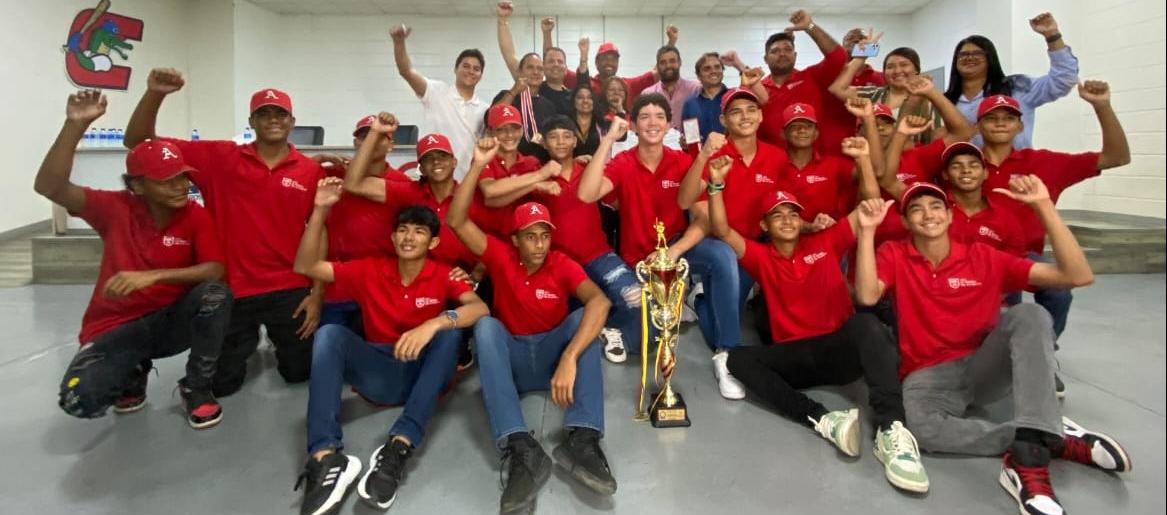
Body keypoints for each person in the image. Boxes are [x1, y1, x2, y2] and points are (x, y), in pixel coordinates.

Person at [854, 179, 1131, 515]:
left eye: (935, 206)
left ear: (950, 215)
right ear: (906, 221)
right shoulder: (894, 253)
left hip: (983, 365)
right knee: (921, 430)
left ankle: (1027, 463)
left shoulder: (984, 256)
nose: (927, 214)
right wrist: (867, 232)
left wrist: (1044, 207)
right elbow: (867, 296)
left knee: (1029, 314)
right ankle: (1047, 437)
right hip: (927, 376)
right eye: (916, 208)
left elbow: (1077, 275)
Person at [706, 151, 928, 493]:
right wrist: (716, 184)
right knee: (735, 358)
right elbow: (721, 230)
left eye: (792, 214)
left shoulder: (827, 240)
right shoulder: (761, 257)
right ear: (764, 226)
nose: (785, 220)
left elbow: (868, 205)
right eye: (775, 216)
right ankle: (825, 420)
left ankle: (892, 428)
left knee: (868, 325)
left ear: (802, 219)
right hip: (796, 356)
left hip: (838, 348)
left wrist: (866, 159)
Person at [292, 178, 488, 515]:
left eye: (419, 232)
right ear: (393, 236)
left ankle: (398, 448)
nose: (409, 237)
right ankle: (326, 458)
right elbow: (306, 267)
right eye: (403, 230)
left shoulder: (445, 274)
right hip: (381, 374)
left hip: (424, 376)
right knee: (329, 334)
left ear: (434, 241)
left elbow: (479, 308)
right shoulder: (371, 269)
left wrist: (434, 323)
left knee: (451, 333)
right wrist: (321, 211)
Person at [125, 68, 324, 397]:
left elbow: (319, 235)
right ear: (251, 121)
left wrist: (317, 294)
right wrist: (155, 93)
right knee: (222, 384)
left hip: (289, 286)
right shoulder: (218, 158)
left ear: (291, 121)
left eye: (280, 114)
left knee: (299, 373)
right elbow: (139, 142)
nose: (272, 120)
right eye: (264, 114)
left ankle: (275, 342)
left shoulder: (311, 170)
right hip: (233, 288)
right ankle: (244, 343)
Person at [45, 90, 231, 429]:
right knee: (80, 401)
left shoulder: (194, 215)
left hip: (169, 323)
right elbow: (51, 187)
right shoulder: (112, 208)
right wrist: (74, 126)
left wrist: (154, 277)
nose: (181, 186)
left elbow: (214, 270)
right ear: (138, 186)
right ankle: (132, 372)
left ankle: (197, 387)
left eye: (184, 176)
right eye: (168, 180)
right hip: (117, 325)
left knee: (216, 294)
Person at [448, 138, 616, 513]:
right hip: (516, 364)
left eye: (544, 235)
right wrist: (476, 167)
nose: (539, 245)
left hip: (557, 364)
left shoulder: (561, 262)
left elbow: (600, 300)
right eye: (530, 236)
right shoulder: (499, 255)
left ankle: (583, 439)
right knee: (487, 327)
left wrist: (570, 357)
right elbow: (456, 221)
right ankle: (520, 446)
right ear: (515, 239)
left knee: (584, 318)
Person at [578, 94, 746, 400]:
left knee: (722, 254)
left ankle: (728, 353)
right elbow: (587, 194)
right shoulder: (623, 162)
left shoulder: (682, 162)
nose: (652, 122)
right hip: (638, 261)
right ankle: (614, 325)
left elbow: (703, 219)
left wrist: (675, 251)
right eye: (644, 116)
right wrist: (606, 142)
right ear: (633, 124)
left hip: (676, 251)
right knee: (652, 330)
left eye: (659, 116)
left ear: (669, 123)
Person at [975, 84, 1131, 396]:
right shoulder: (964, 164)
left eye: (1009, 117)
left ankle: (1043, 356)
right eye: (992, 117)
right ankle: (996, 361)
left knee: (1059, 293)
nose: (1001, 122)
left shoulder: (1045, 163)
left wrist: (1101, 106)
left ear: (1021, 124)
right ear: (979, 125)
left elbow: (1116, 157)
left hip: (1024, 256)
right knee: (1002, 311)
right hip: (976, 256)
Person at [318, 114, 412, 332]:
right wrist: (322, 156)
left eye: (380, 136)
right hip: (336, 285)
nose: (372, 140)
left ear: (392, 146)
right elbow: (297, 166)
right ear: (355, 143)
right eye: (365, 136)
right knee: (331, 349)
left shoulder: (402, 183)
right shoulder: (334, 174)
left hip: (381, 286)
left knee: (378, 353)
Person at [944, 12, 1079, 149]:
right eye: (963, 55)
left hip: (1017, 168)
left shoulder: (1016, 87)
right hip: (968, 169)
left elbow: (1064, 79)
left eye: (977, 53)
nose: (969, 58)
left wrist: (1052, 36)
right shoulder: (945, 101)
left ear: (990, 59)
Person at [882, 131, 1024, 256]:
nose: (966, 170)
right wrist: (900, 134)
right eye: (956, 166)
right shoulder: (930, 203)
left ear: (985, 173)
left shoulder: (1006, 219)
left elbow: (1013, 269)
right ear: (945, 174)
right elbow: (888, 181)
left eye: (973, 165)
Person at [742, 10, 850, 153]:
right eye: (775, 51)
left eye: (788, 49)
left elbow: (838, 57)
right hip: (771, 165)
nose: (782, 54)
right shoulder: (757, 89)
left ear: (795, 55)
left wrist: (810, 27)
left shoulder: (812, 77)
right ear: (765, 59)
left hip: (813, 164)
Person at [391, 23, 488, 180]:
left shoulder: (484, 109)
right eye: (466, 66)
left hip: (465, 182)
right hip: (431, 177)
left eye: (476, 69)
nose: (471, 71)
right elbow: (406, 71)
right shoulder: (435, 91)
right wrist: (399, 42)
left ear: (481, 75)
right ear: (455, 69)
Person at [544, 17, 675, 103]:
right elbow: (553, 65)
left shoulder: (626, 85)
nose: (610, 63)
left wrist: (671, 42)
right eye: (605, 58)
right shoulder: (584, 82)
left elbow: (658, 71)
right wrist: (547, 33)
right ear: (596, 62)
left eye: (614, 59)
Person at [832, 46, 943, 144]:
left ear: (916, 70)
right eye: (890, 67)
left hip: (911, 164)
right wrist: (863, 55)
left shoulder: (930, 102)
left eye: (904, 65)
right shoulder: (873, 94)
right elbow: (837, 89)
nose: (897, 70)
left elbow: (938, 143)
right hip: (872, 161)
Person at [477, 104, 558, 238]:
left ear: (521, 131)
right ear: (491, 132)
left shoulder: (531, 163)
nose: (509, 135)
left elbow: (494, 201)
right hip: (489, 241)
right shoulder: (484, 157)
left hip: (524, 242)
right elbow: (490, 192)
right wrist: (538, 176)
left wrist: (532, 184)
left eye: (515, 128)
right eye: (502, 129)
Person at [641, 42, 703, 132]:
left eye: (672, 61)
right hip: (658, 144)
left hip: (689, 144)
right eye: (663, 62)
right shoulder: (647, 94)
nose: (668, 66)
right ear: (657, 66)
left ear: (680, 62)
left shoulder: (696, 89)